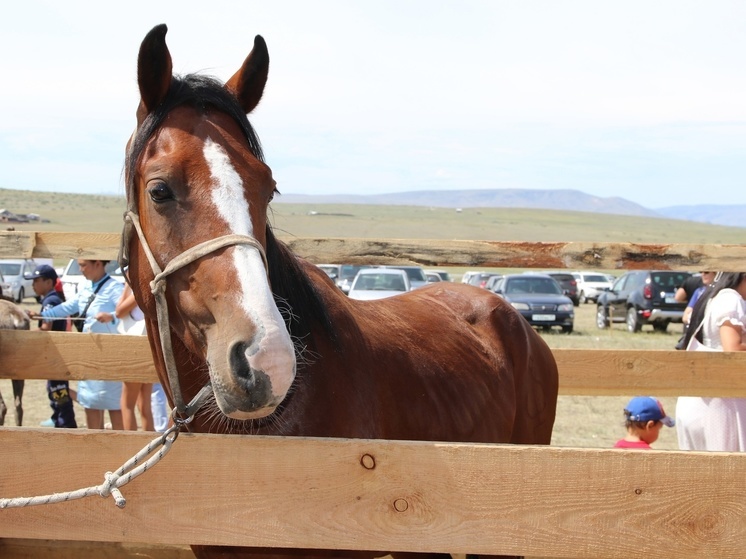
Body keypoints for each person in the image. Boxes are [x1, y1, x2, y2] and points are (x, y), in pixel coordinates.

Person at [28, 260, 124, 430]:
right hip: (88, 354)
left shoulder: (115, 289)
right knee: (90, 403)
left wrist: (112, 316)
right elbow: (67, 307)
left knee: (114, 404)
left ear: (98, 264)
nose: (80, 269)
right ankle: (95, 448)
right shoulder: (86, 288)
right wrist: (42, 315)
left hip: (109, 355)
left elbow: (129, 313)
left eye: (84, 265)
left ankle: (121, 449)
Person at [676, 272, 746, 451]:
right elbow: (733, 349)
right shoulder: (731, 299)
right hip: (719, 404)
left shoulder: (711, 295)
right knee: (727, 469)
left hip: (699, 399)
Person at [30, 264, 77, 428]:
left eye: (36, 281)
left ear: (48, 282)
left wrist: (25, 336)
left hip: (56, 355)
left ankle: (65, 423)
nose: (33, 285)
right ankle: (60, 419)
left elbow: (45, 328)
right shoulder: (53, 299)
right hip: (57, 355)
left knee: (58, 390)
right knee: (56, 388)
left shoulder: (50, 301)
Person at [115, 282, 154, 431]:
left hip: (135, 350)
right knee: (144, 405)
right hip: (148, 348)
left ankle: (130, 445)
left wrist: (127, 284)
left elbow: (119, 311)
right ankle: (150, 442)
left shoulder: (141, 288)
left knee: (127, 404)